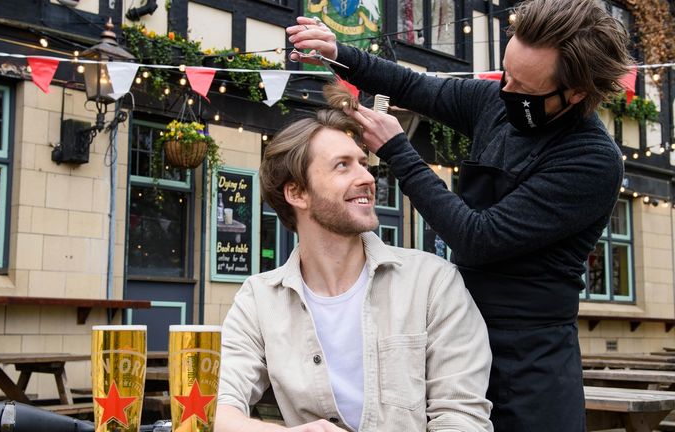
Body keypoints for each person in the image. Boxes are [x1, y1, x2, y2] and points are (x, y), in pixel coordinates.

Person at [286, 0, 632, 430]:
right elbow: (413, 86)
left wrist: (398, 151)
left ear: (575, 92)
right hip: (457, 338)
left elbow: (478, 238)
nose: (506, 90)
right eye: (506, 73)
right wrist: (341, 53)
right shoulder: (495, 102)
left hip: (529, 360)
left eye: (523, 87)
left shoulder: (591, 159)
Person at [215, 87, 493, 432]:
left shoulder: (433, 282)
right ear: (297, 192)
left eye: (363, 163)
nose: (366, 177)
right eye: (342, 166)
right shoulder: (258, 299)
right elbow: (218, 409)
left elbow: (461, 419)